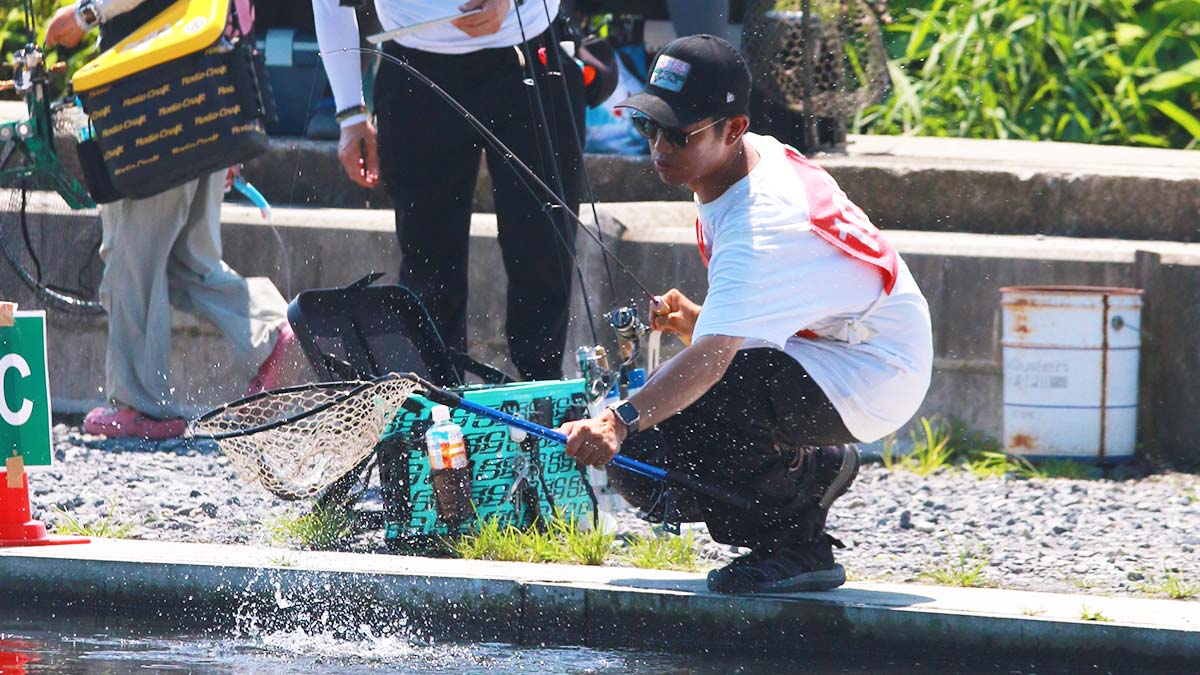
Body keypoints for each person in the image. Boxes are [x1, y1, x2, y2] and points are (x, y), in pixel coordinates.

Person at [559, 35, 933, 594]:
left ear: (732, 128)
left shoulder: (762, 222)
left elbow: (712, 364)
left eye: (678, 134)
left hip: (878, 373)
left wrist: (616, 421)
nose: (660, 146)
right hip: (838, 347)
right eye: (649, 127)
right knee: (652, 445)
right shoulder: (740, 159)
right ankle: (817, 468)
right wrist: (700, 321)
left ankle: (797, 545)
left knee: (666, 428)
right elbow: (787, 302)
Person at [46, 0, 297, 440]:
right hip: (201, 92)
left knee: (132, 257)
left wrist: (86, 15)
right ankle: (271, 328)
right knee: (187, 260)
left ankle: (140, 405)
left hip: (148, 100)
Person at [312, 0, 584, 380]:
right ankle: (442, 404)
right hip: (415, 60)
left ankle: (545, 391)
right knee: (429, 265)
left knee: (543, 250)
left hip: (528, 45)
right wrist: (350, 112)